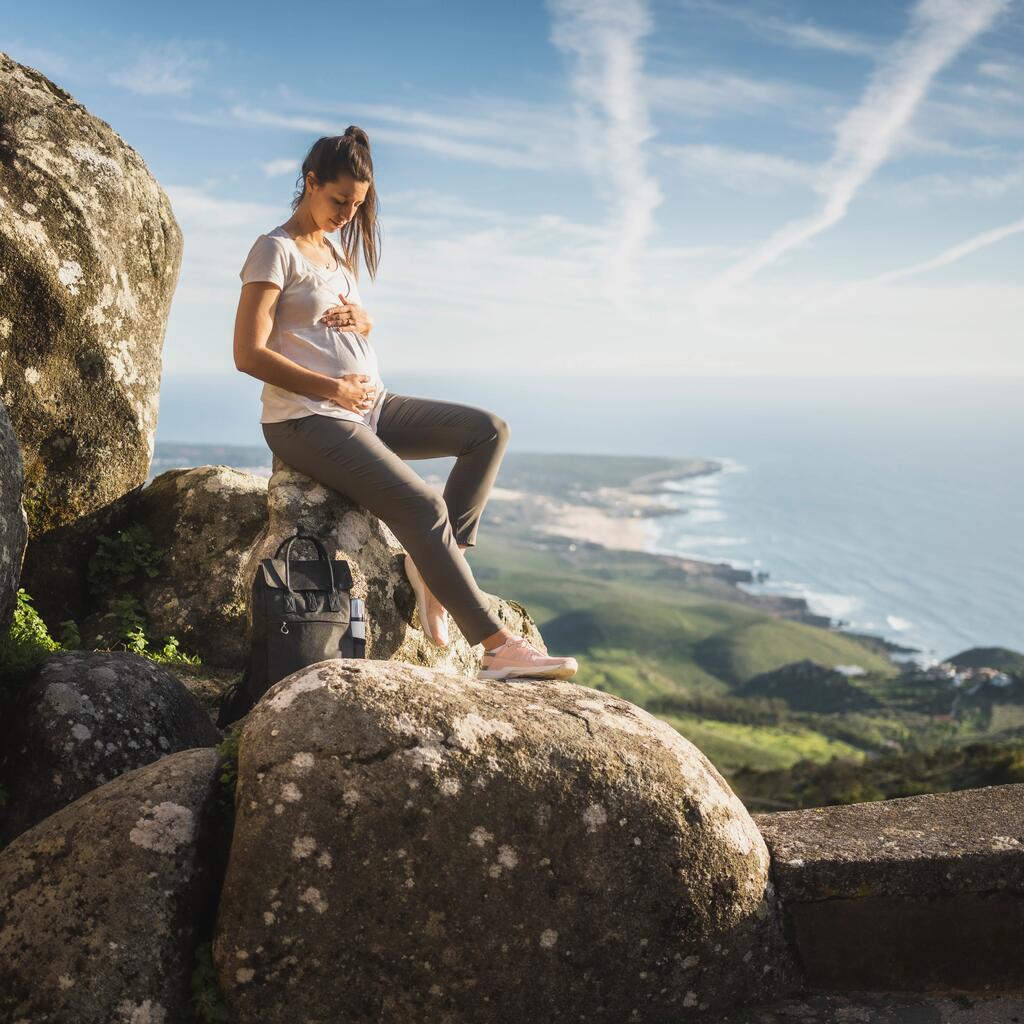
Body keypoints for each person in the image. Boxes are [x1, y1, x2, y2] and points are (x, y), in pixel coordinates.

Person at [233, 127, 578, 681]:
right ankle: (494, 646)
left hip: (370, 408)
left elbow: (340, 327)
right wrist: (332, 389)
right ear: (311, 182)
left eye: (358, 204)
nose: (348, 213)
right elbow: (247, 352)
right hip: (307, 419)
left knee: (487, 430)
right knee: (423, 508)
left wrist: (365, 323)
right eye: (339, 200)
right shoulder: (274, 249)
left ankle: (438, 565)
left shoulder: (335, 250)